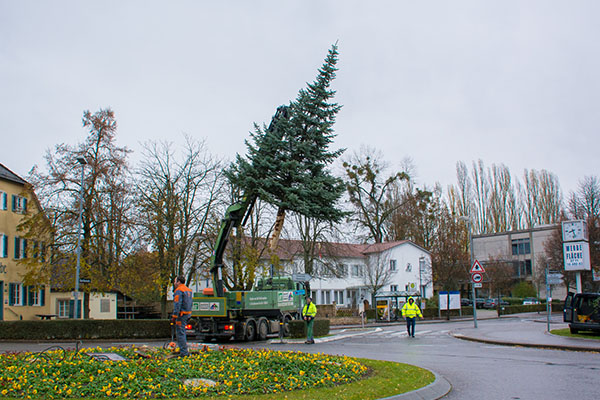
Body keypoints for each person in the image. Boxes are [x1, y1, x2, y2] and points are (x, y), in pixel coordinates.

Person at [172, 275, 193, 356]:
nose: (174, 283)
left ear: (178, 282)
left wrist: (174, 316)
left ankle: (184, 352)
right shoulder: (189, 290)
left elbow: (177, 305)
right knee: (183, 332)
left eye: (175, 281)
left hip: (181, 315)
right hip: (187, 314)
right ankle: (184, 350)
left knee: (180, 333)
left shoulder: (178, 291)